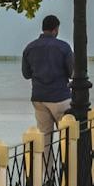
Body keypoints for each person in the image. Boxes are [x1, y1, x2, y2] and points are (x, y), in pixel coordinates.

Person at [22, 14, 74, 143]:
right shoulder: (64, 47)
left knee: (44, 140)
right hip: (60, 98)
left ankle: (45, 164)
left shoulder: (30, 48)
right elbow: (72, 73)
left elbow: (26, 74)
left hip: (39, 98)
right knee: (67, 139)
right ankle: (67, 163)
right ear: (55, 29)